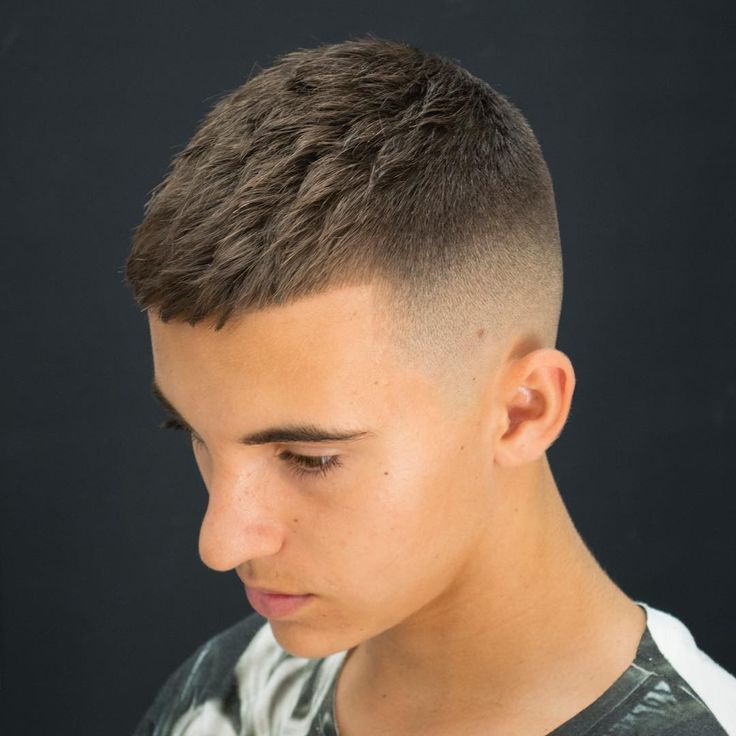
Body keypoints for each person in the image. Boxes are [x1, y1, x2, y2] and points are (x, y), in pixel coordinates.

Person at [125, 35, 736, 736]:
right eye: (195, 435)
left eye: (309, 458)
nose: (220, 543)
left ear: (523, 410)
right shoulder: (219, 699)